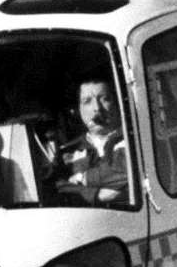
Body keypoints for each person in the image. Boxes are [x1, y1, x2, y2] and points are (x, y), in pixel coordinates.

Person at [54, 77, 130, 205]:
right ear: (78, 110)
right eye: (87, 101)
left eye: (105, 99)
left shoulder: (132, 137)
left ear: (117, 103)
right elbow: (57, 187)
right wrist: (97, 195)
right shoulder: (68, 153)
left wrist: (83, 178)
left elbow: (129, 171)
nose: (97, 108)